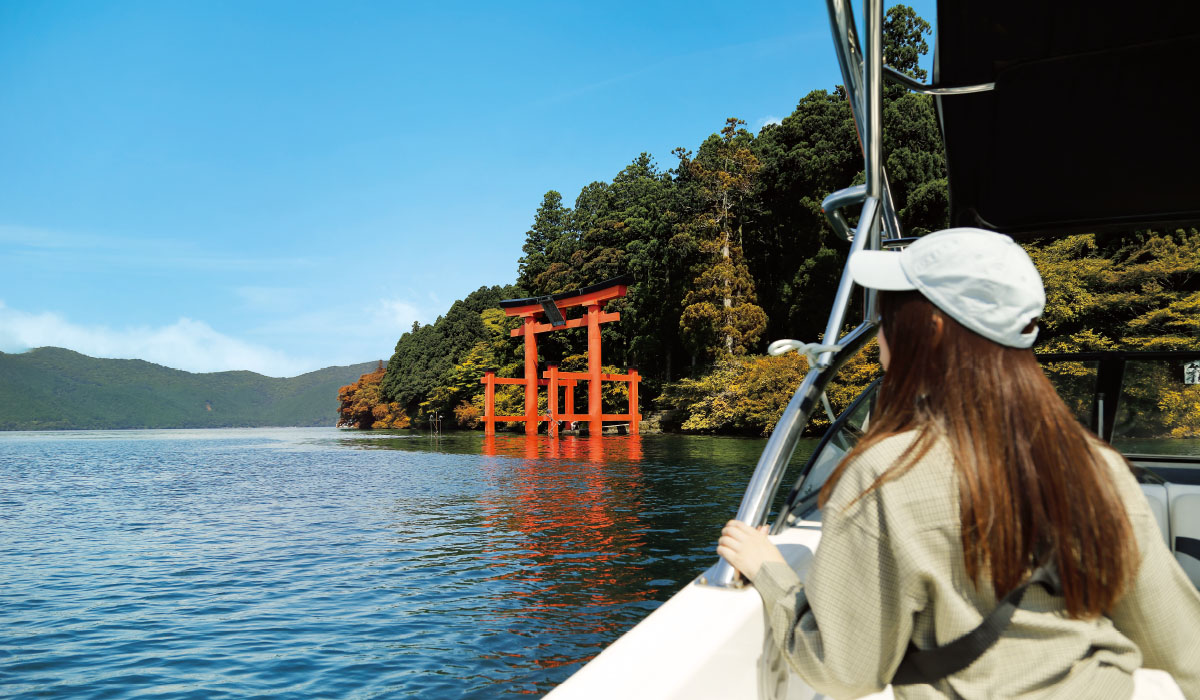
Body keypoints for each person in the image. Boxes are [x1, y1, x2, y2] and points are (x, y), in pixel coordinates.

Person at [717, 228, 1200, 699]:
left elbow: (845, 672)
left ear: (931, 330)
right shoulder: (1096, 464)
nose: (881, 336)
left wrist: (772, 574)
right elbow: (1180, 646)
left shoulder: (885, 473)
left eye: (889, 320)